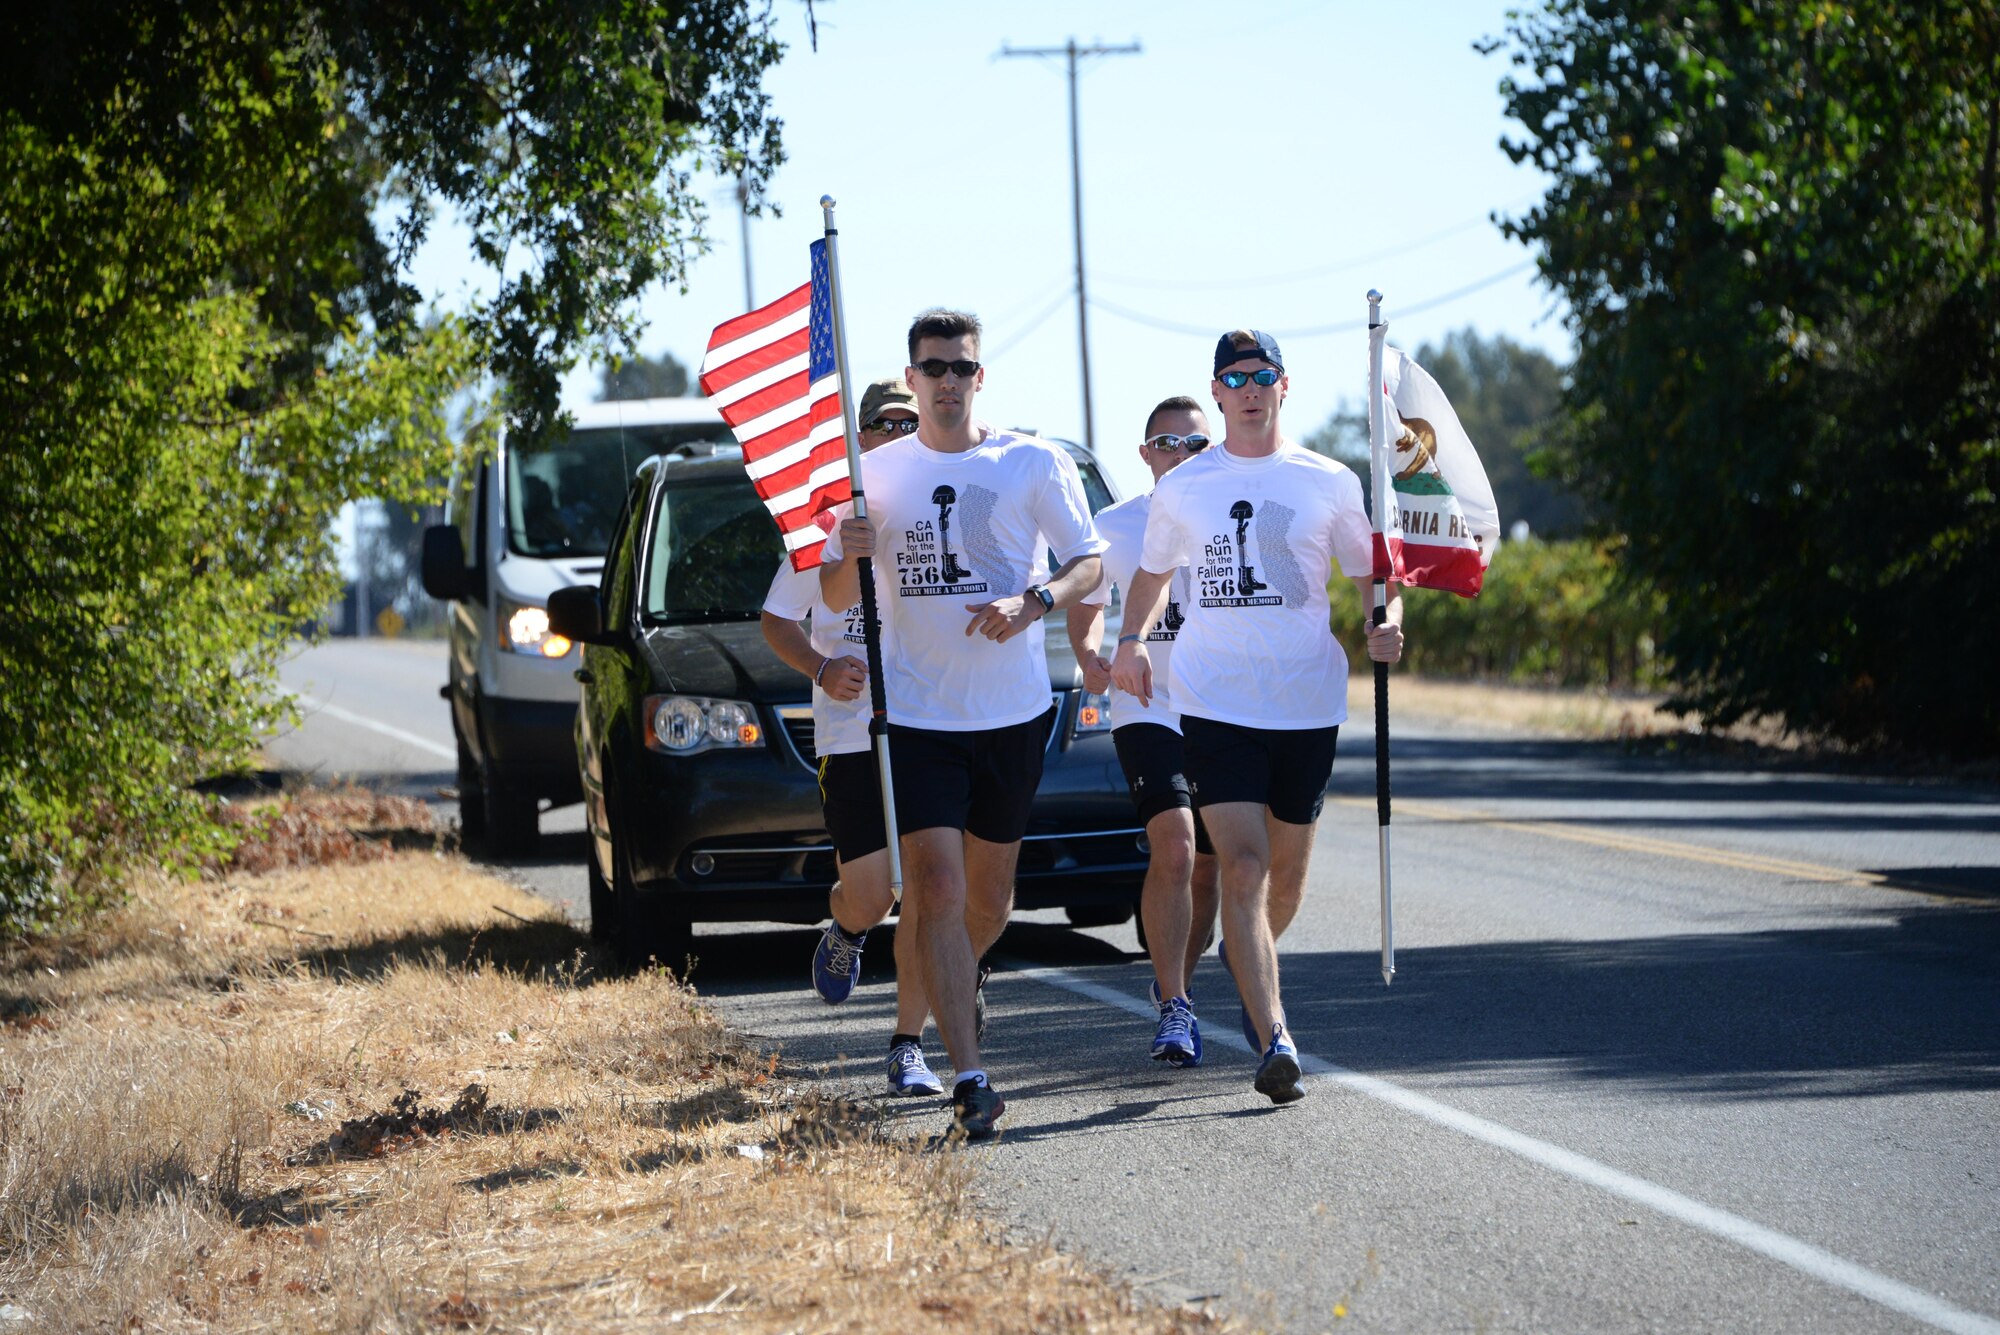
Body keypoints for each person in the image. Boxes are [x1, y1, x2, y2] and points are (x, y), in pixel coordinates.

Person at [820, 308, 1106, 1139]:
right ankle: (970, 1077)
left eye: (962, 367)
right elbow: (835, 598)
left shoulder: (1030, 461)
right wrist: (849, 546)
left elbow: (1090, 562)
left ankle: (957, 982)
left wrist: (1035, 600)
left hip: (1012, 716)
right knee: (935, 890)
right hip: (914, 715)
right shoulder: (876, 472)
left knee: (987, 903)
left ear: (981, 376)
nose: (948, 380)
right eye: (933, 367)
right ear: (911, 379)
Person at [1110, 330, 1404, 1106]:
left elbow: (1375, 572)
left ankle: (1251, 967)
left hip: (1306, 702)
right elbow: (1151, 574)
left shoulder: (1329, 481)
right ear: (1216, 391)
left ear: (1284, 384)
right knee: (1239, 866)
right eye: (1233, 377)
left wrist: (1387, 620)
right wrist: (1132, 639)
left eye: (1261, 375)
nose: (1248, 388)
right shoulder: (1187, 486)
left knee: (1283, 877)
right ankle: (1275, 1032)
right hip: (1214, 701)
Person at [760, 376, 943, 1098]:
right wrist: (820, 663)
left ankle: (909, 1042)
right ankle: (846, 929)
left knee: (929, 888)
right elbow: (782, 619)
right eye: (885, 425)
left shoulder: (937, 509)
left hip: (930, 724)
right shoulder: (833, 521)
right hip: (853, 731)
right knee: (873, 894)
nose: (899, 435)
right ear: (858, 437)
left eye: (910, 421)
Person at [1067, 395, 1220, 1067]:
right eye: (1168, 443)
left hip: (1223, 712)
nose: (1180, 456)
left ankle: (1173, 980)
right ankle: (1177, 1007)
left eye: (1195, 445)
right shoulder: (1115, 525)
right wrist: (1090, 657)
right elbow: (1086, 604)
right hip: (1147, 706)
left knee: (1213, 873)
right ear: (1145, 454)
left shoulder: (1228, 518)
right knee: (1178, 850)